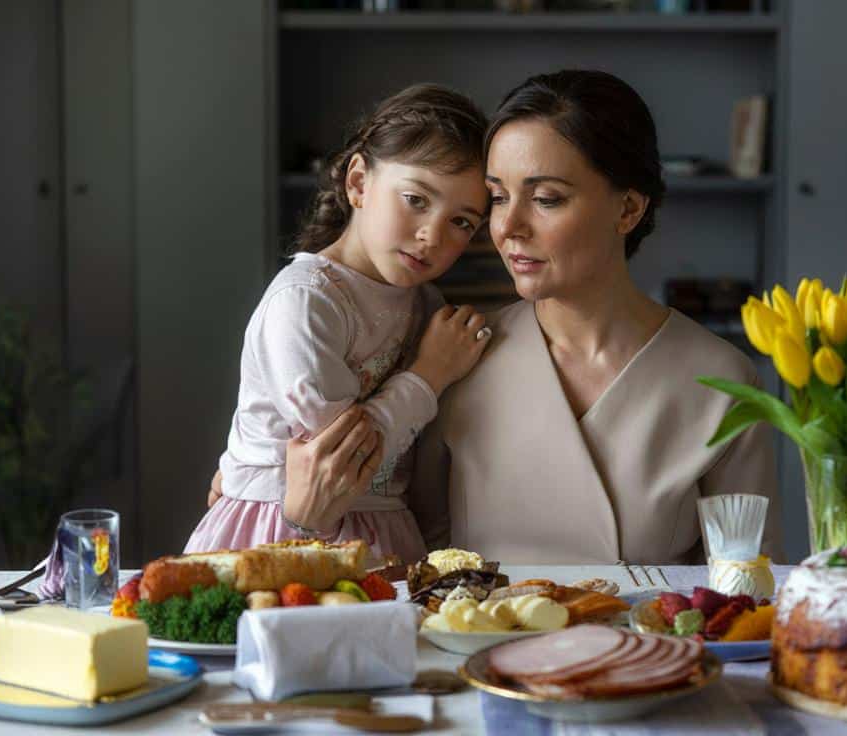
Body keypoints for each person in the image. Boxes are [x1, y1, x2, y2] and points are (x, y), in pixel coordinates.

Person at [217, 70, 782, 564]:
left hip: (646, 674)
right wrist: (256, 482)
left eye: (547, 198)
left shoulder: (723, 384)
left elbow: (746, 603)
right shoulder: (457, 353)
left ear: (628, 208)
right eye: (497, 198)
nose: (507, 228)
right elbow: (385, 521)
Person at [185, 84, 493, 564]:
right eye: (416, 199)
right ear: (358, 183)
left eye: (462, 222)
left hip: (385, 529)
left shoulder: (427, 303)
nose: (432, 233)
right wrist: (429, 373)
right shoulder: (307, 300)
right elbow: (343, 459)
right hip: (280, 530)